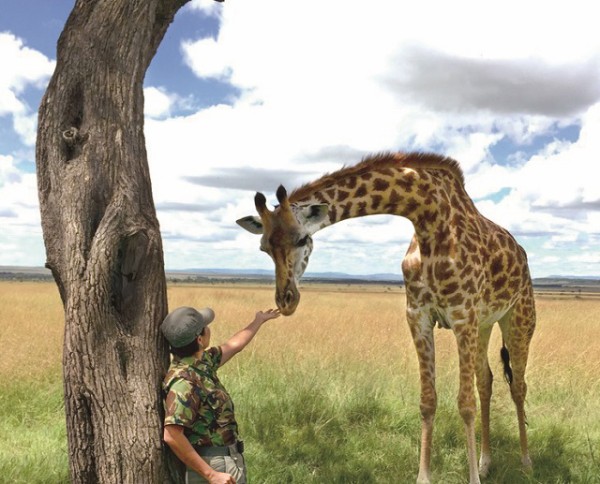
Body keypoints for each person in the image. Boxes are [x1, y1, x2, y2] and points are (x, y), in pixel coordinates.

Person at [161, 305, 280, 484]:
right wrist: (211, 475)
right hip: (213, 465)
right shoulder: (184, 381)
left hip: (227, 461)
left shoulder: (202, 363)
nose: (209, 328)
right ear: (200, 339)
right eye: (205, 327)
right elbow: (172, 434)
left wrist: (258, 321)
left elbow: (234, 345)